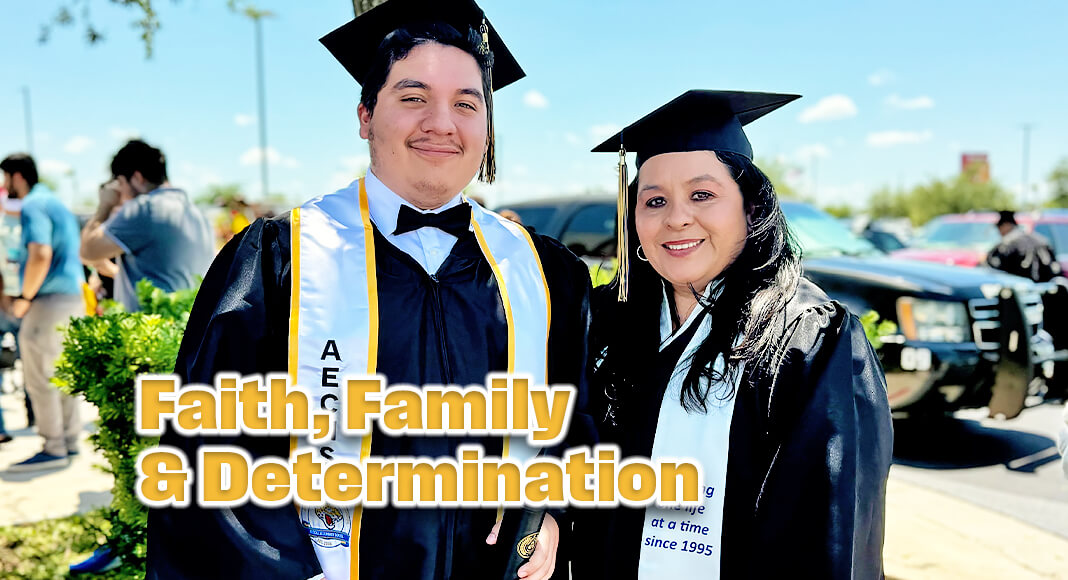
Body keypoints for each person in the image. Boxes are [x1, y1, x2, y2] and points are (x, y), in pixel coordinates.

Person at [146, 1, 592, 578]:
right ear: (364, 116)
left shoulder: (544, 269)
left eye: (466, 103)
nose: (441, 122)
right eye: (413, 98)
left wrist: (553, 512)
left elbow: (570, 420)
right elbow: (208, 454)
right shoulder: (280, 260)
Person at [573, 91, 894, 578]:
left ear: (750, 206)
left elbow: (831, 532)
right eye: (654, 200)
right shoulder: (605, 326)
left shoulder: (809, 338)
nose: (676, 217)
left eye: (702, 195)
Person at [0, 153, 86, 471]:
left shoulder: (33, 205)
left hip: (48, 300)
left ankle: (53, 448)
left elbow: (39, 253)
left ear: (17, 176)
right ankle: (70, 442)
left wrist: (24, 296)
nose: (4, 185)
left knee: (39, 378)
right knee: (62, 375)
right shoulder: (55, 202)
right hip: (72, 296)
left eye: (5, 177)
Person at [79, 140, 214, 312]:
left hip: (153, 330)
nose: (121, 195)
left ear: (136, 178)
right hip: (188, 322)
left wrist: (104, 206)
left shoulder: (144, 209)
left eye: (120, 184)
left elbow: (87, 252)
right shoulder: (195, 212)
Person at [986, 210, 1061, 282]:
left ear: (1006, 225)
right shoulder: (1040, 240)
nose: (999, 232)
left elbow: (995, 268)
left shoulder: (1008, 244)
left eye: (999, 228)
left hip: (1019, 288)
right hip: (1043, 286)